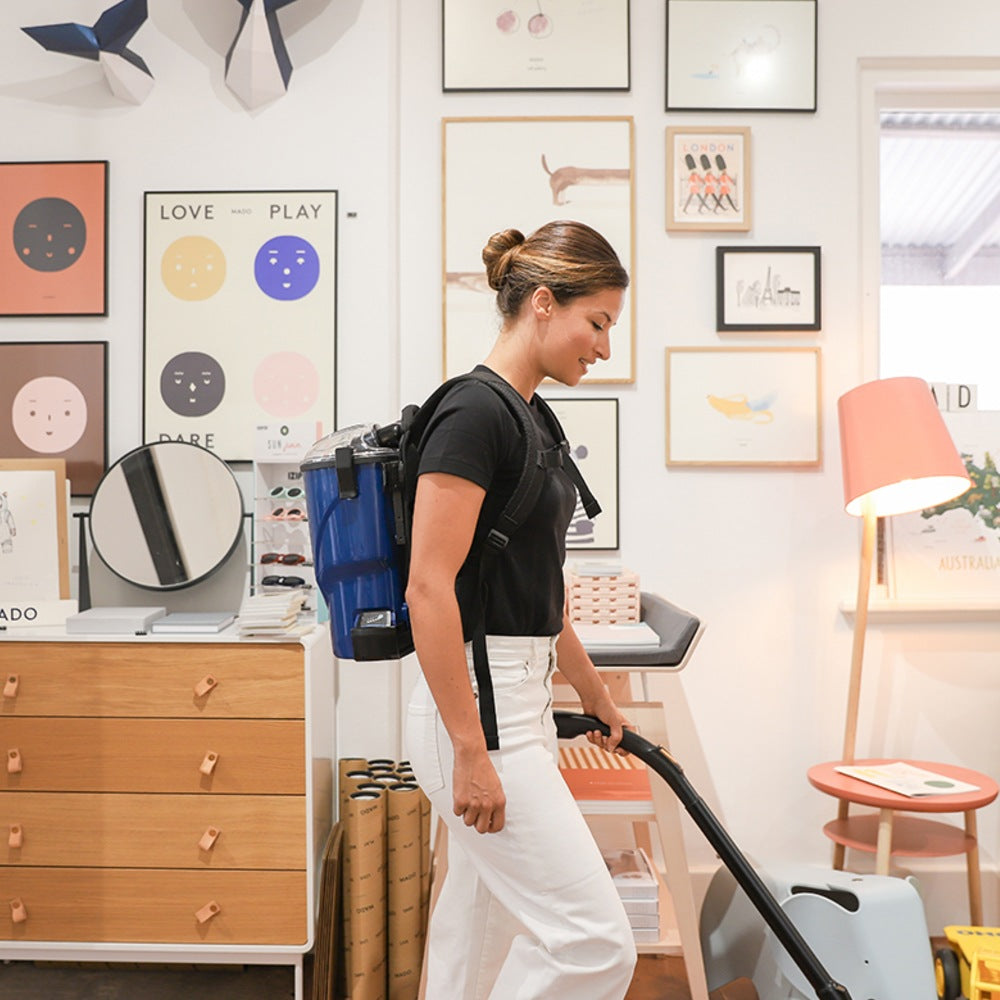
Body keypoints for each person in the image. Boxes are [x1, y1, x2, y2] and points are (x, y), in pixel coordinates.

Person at [404, 220, 637, 999]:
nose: (604, 347)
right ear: (543, 302)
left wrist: (596, 693)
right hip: (479, 716)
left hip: (518, 702)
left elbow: (541, 587)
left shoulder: (533, 417)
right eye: (596, 323)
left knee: (480, 933)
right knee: (595, 945)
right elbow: (428, 588)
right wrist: (470, 750)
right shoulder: (473, 413)